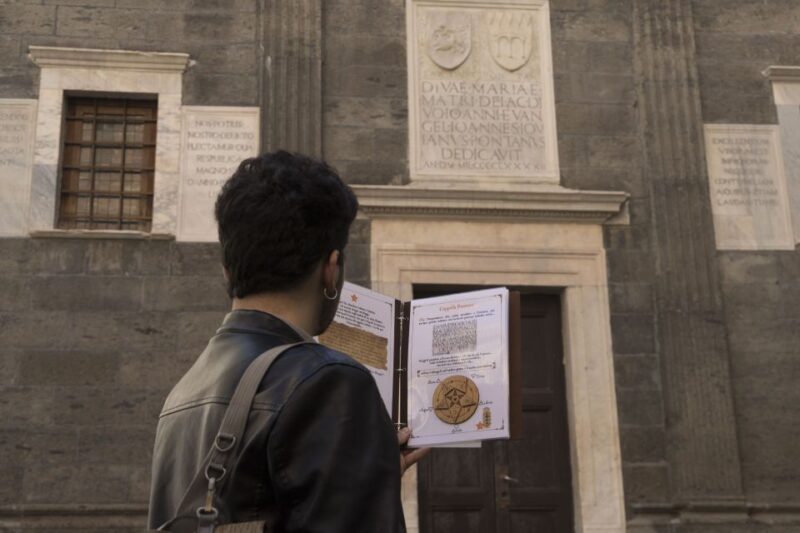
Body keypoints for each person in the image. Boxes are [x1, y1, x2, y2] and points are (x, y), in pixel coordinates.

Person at [148, 151, 428, 532]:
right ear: (331, 270)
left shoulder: (182, 395)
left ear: (227, 270)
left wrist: (368, 473)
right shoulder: (329, 381)